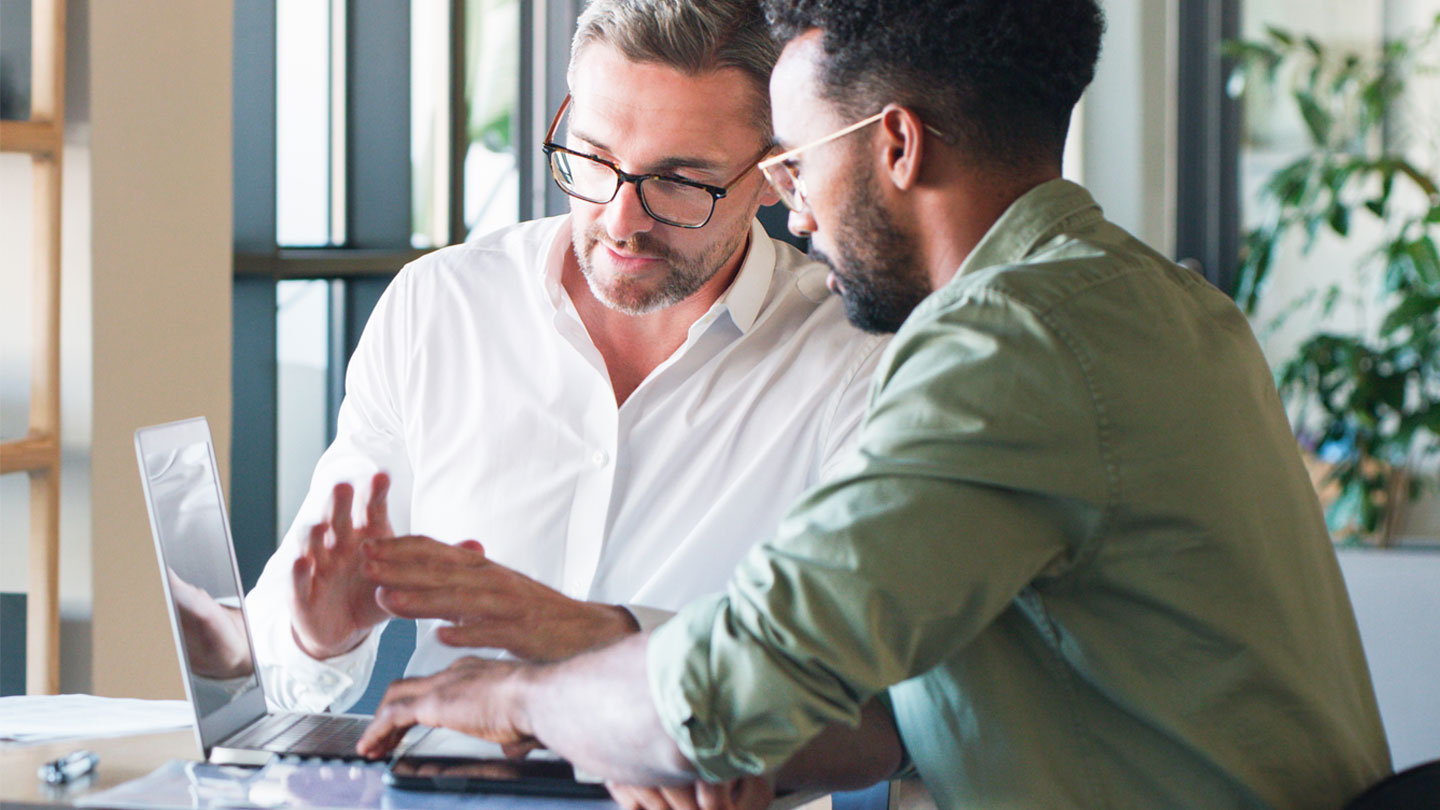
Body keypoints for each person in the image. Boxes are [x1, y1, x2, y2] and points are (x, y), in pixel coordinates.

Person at [354, 1, 1396, 808]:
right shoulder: (1155, 302)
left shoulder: (1007, 347)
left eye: (797, 160)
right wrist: (661, 721)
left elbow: (730, 681)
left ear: (895, 145)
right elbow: (866, 702)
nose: (793, 208)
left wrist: (507, 699)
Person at [242, 0, 886, 715]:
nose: (620, 219)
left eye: (677, 181)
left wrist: (594, 639)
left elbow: (845, 677)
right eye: (593, 157)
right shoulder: (441, 306)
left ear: (775, 174)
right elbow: (286, 645)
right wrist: (317, 640)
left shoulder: (851, 360)